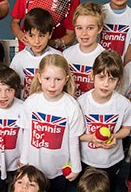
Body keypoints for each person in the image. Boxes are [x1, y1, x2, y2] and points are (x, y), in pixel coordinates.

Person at [18, 54, 85, 192]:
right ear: (39, 77)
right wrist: (24, 160)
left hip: (58, 171)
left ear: (66, 79)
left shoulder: (71, 106)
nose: (52, 85)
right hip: (34, 170)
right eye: (47, 79)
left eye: (58, 79)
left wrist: (76, 166)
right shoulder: (31, 102)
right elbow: (26, 133)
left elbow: (73, 139)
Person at [78, 51, 131, 192]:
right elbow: (75, 133)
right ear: (92, 75)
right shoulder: (81, 103)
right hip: (87, 160)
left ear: (118, 81)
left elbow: (126, 129)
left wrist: (114, 136)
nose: (106, 84)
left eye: (112, 79)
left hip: (112, 160)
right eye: (101, 77)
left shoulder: (124, 104)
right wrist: (92, 138)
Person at [9, 8, 62, 99]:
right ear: (25, 34)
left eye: (41, 36)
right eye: (31, 36)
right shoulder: (19, 58)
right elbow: (12, 86)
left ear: (49, 34)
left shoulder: (57, 57)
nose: (37, 41)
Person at [63, 2, 106, 96]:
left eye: (90, 28)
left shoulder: (105, 58)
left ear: (99, 29)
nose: (84, 33)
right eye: (79, 28)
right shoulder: (66, 55)